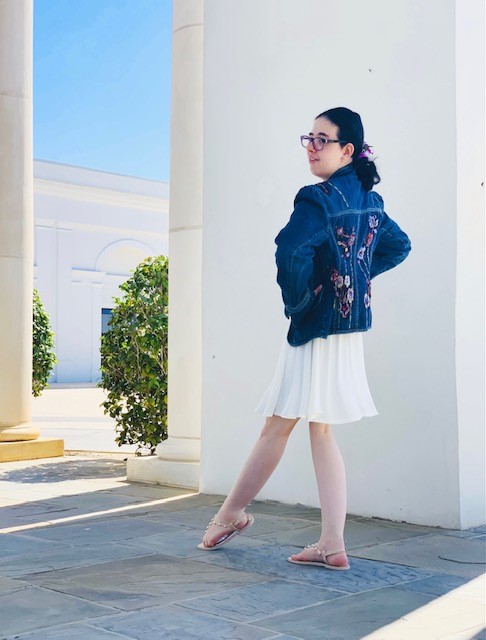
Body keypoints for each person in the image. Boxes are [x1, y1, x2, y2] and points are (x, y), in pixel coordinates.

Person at [197, 107, 411, 571]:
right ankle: (329, 542)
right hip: (346, 330)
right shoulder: (371, 201)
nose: (311, 147)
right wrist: (349, 281)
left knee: (279, 424)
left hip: (316, 326)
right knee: (315, 428)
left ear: (347, 150)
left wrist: (303, 301)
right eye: (308, 138)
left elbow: (290, 251)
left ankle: (233, 515)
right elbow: (398, 246)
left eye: (322, 139)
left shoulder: (317, 198)